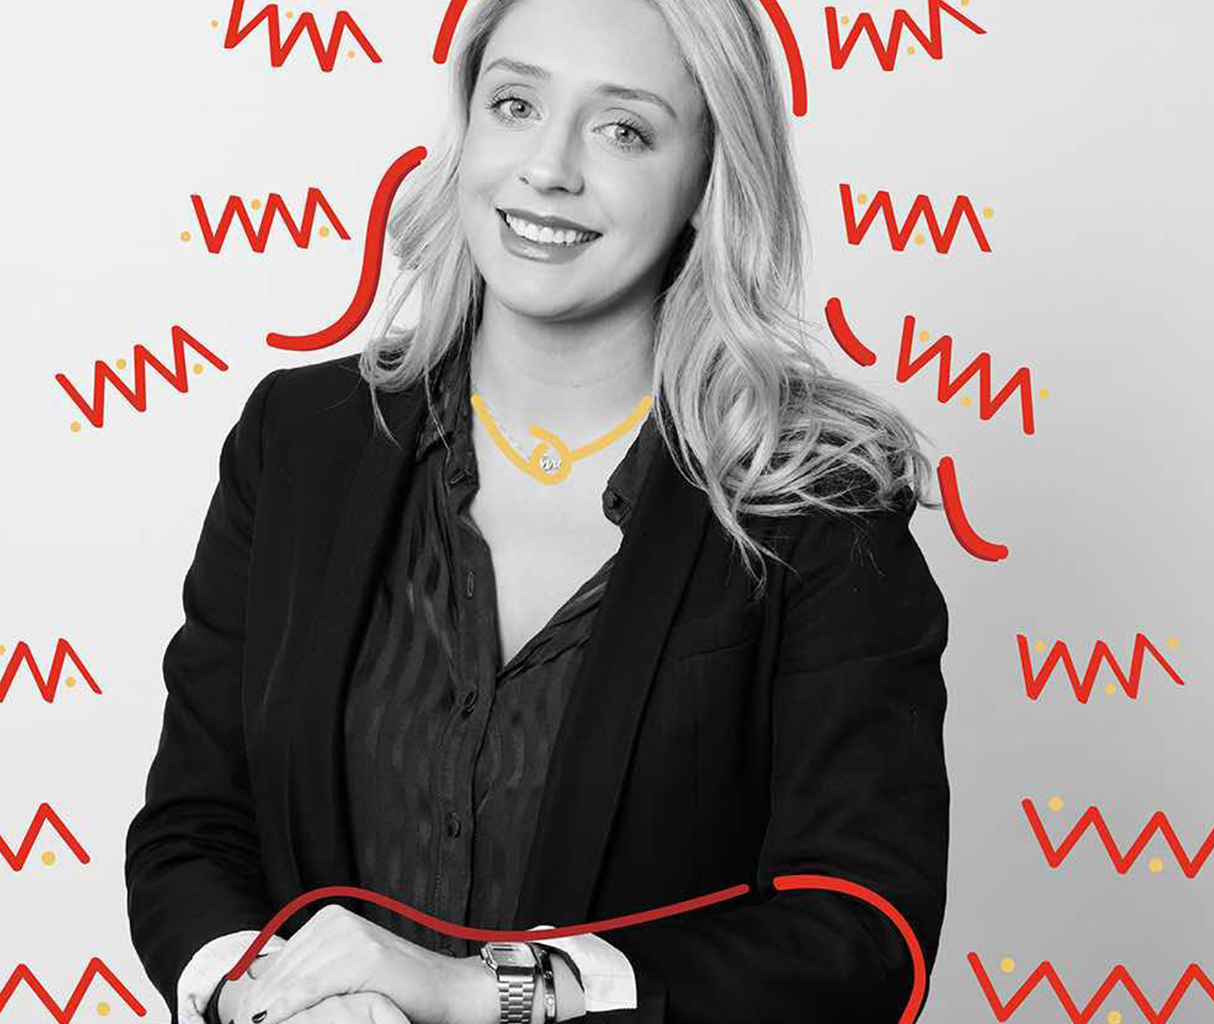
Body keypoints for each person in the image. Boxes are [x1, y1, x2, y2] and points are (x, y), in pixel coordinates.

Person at [124, 0, 951, 1022]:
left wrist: (502, 993)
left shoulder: (815, 498)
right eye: (514, 103)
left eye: (624, 129)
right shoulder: (299, 440)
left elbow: (863, 930)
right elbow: (193, 829)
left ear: (708, 173)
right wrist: (268, 1000)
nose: (547, 167)